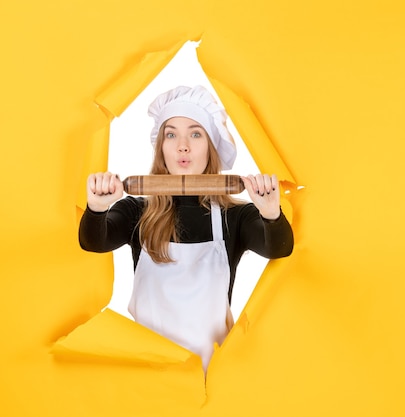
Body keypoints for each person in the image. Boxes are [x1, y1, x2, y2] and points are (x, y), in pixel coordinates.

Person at [79, 85, 294, 370]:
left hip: (211, 382)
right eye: (171, 134)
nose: (183, 145)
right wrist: (97, 207)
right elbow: (93, 242)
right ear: (161, 148)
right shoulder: (136, 211)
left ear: (211, 147)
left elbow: (279, 248)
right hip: (149, 375)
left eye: (195, 133)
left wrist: (270, 212)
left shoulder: (236, 216)